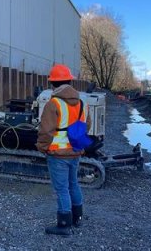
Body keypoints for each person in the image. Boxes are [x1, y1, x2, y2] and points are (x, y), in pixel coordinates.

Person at [36, 64, 90, 236]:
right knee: (73, 184)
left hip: (58, 154)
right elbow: (86, 126)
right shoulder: (82, 102)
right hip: (75, 151)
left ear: (53, 83)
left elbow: (46, 130)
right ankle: (77, 219)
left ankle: (64, 225)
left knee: (61, 189)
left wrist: (43, 148)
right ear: (69, 81)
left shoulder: (54, 103)